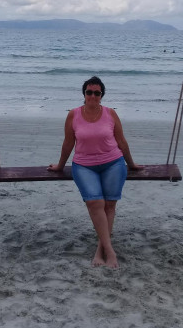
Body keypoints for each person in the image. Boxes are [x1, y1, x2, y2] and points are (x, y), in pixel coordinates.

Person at [48, 75, 143, 269]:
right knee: (94, 202)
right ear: (84, 94)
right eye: (89, 92)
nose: (92, 96)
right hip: (84, 165)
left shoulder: (110, 113)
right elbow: (68, 143)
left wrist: (131, 164)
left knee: (109, 205)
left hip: (113, 163)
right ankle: (110, 251)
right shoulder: (73, 115)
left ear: (102, 95)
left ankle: (101, 250)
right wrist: (60, 165)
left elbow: (121, 141)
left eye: (97, 93)